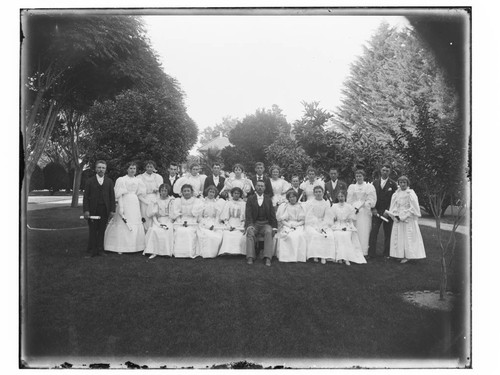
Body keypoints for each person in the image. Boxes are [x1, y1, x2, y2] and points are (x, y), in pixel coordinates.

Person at [104, 162, 147, 254]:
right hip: (124, 201)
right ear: (127, 169)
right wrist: (121, 207)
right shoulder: (121, 180)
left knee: (134, 221)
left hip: (134, 203)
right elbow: (119, 195)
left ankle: (135, 246)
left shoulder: (138, 180)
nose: (132, 170)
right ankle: (120, 247)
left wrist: (147, 203)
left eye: (134, 168)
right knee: (123, 222)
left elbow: (140, 195)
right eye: (130, 168)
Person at [387, 176, 426, 263]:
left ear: (407, 183)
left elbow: (414, 207)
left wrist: (405, 216)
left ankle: (408, 255)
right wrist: (395, 215)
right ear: (398, 183)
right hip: (398, 218)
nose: (402, 184)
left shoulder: (410, 193)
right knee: (399, 236)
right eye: (401, 182)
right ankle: (399, 254)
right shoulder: (396, 194)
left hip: (408, 218)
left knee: (408, 237)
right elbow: (393, 206)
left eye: (404, 182)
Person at [82, 160, 116, 258]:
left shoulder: (109, 181)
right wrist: (86, 210)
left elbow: (112, 197)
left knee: (102, 230)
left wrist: (112, 210)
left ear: (105, 169)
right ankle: (92, 250)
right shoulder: (90, 181)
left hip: (104, 210)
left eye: (103, 168)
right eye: (99, 167)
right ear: (96, 169)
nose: (101, 169)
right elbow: (85, 197)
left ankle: (100, 250)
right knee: (92, 230)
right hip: (93, 209)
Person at [368, 164, 398, 259]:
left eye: (387, 171)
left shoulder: (393, 184)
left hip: (387, 213)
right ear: (380, 170)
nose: (385, 172)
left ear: (390, 172)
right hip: (376, 211)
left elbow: (395, 199)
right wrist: (373, 208)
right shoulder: (375, 183)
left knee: (388, 233)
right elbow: (371, 197)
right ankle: (371, 253)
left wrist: (389, 211)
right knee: (373, 232)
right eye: (383, 170)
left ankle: (386, 254)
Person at [245, 180, 278, 266]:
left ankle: (267, 257)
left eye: (262, 186)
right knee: (250, 232)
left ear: (264, 188)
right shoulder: (250, 199)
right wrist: (250, 225)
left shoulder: (268, 199)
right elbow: (248, 214)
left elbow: (272, 214)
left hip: (265, 223)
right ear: (255, 187)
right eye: (258, 186)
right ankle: (250, 256)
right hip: (255, 223)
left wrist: (274, 227)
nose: (260, 187)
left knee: (268, 231)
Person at [330, 190, 366, 265]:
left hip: (346, 225)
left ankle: (346, 257)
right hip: (337, 225)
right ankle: (339, 257)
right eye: (339, 196)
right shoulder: (334, 206)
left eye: (342, 196)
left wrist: (348, 222)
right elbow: (332, 217)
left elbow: (352, 218)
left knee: (345, 235)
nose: (340, 198)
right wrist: (334, 219)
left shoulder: (349, 206)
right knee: (337, 235)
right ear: (337, 197)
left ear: (345, 197)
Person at [346, 169, 377, 256]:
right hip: (354, 211)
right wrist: (354, 207)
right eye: (357, 176)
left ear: (363, 177)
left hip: (364, 211)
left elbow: (372, 200)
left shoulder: (369, 187)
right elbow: (349, 200)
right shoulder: (352, 187)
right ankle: (354, 249)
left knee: (364, 230)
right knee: (354, 229)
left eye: (360, 176)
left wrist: (365, 204)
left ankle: (363, 251)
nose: (358, 178)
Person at [304, 185, 335, 264]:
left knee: (329, 235)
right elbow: (309, 215)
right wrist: (316, 225)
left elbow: (328, 216)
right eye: (316, 192)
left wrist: (323, 224)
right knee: (314, 234)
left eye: (320, 192)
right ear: (314, 193)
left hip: (323, 223)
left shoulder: (326, 203)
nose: (318, 193)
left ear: (323, 192)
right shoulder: (310, 203)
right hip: (312, 224)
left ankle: (325, 255)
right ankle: (315, 255)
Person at [143, 183, 175, 259]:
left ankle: (166, 251)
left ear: (168, 192)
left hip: (168, 220)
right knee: (154, 230)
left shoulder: (171, 200)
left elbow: (172, 214)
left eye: (165, 191)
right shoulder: (155, 201)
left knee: (167, 230)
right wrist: (158, 223)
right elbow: (153, 214)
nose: (164, 192)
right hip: (158, 220)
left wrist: (169, 221)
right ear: (159, 191)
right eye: (162, 190)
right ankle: (154, 251)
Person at [171, 184, 203, 258]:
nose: (186, 192)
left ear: (191, 192)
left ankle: (188, 252)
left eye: (188, 191)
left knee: (188, 231)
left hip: (192, 221)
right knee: (179, 231)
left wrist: (191, 222)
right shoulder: (178, 201)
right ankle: (179, 253)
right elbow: (176, 214)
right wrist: (180, 222)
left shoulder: (196, 201)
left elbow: (197, 216)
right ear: (182, 192)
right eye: (184, 191)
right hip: (181, 220)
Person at [276, 190, 307, 262]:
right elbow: (282, 219)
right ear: (288, 198)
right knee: (287, 235)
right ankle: (286, 256)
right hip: (287, 224)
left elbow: (303, 220)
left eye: (294, 197)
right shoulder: (285, 206)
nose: (292, 198)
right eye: (290, 197)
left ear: (296, 197)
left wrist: (297, 224)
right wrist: (289, 225)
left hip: (298, 224)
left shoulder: (300, 206)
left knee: (298, 235)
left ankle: (297, 256)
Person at [196, 185, 225, 258]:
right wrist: (204, 224)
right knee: (205, 234)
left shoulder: (217, 203)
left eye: (213, 192)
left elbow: (217, 216)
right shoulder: (202, 202)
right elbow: (200, 216)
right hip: (204, 221)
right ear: (207, 192)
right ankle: (205, 253)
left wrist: (215, 224)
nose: (211, 194)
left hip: (214, 221)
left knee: (217, 234)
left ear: (215, 194)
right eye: (210, 192)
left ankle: (213, 253)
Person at [219, 187, 247, 256]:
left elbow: (244, 217)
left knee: (239, 234)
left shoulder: (243, 204)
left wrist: (242, 226)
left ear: (240, 194)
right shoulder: (228, 203)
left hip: (240, 223)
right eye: (235, 193)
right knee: (227, 234)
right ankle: (227, 251)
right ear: (232, 194)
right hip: (230, 222)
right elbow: (225, 217)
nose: (236, 195)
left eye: (238, 193)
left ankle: (239, 252)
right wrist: (228, 225)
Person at [139, 160, 164, 231]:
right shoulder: (140, 177)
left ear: (154, 168)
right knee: (146, 217)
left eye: (151, 167)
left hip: (155, 198)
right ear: (145, 167)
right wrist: (146, 201)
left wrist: (157, 192)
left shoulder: (158, 177)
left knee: (154, 217)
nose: (149, 168)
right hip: (145, 199)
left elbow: (161, 190)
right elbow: (139, 192)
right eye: (148, 167)